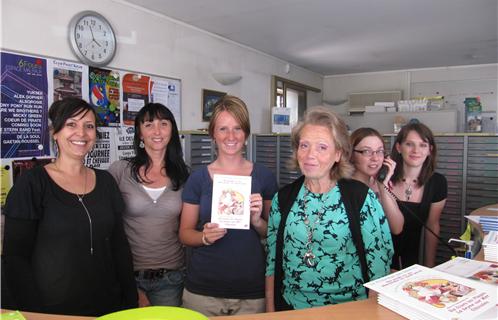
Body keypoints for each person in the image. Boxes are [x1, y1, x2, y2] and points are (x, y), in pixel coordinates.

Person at [1, 97, 137, 316]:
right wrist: (35, 314)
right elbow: (15, 259)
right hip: (53, 309)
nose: (81, 133)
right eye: (71, 124)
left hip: (109, 305)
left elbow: (119, 247)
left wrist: (130, 301)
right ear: (55, 131)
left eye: (89, 126)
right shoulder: (32, 184)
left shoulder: (105, 182)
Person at [266, 107, 393, 311]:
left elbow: (379, 265)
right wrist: (270, 312)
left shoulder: (360, 198)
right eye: (304, 145)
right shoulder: (283, 199)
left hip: (348, 310)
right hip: (291, 308)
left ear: (338, 154)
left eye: (322, 147)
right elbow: (272, 262)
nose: (310, 155)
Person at [179, 95, 278, 316]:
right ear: (213, 133)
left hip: (251, 291)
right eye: (223, 129)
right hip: (203, 291)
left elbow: (274, 233)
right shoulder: (198, 179)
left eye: (237, 129)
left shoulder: (264, 176)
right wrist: (204, 237)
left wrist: (257, 221)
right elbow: (184, 234)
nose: (231, 136)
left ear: (246, 134)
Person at [109, 103, 190, 307]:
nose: (157, 131)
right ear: (139, 132)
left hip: (171, 277)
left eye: (164, 123)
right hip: (128, 275)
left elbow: (190, 225)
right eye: (149, 124)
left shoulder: (184, 175)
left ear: (172, 130)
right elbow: (108, 225)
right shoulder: (120, 171)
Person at [389, 122, 447, 269]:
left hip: (412, 258)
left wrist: (430, 266)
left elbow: (432, 225)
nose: (416, 150)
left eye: (423, 145)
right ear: (398, 147)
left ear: (430, 150)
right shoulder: (385, 178)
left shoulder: (437, 182)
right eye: (409, 144)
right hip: (380, 256)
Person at [350, 127, 404, 235]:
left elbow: (397, 228)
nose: (375, 158)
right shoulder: (342, 187)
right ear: (351, 154)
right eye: (366, 151)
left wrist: (382, 186)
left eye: (379, 151)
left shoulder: (381, 184)